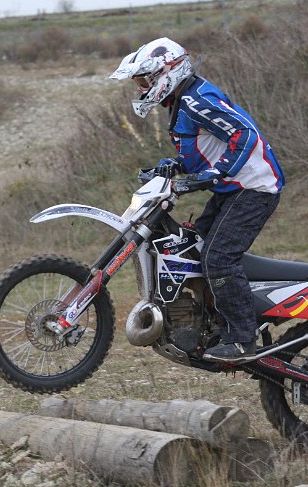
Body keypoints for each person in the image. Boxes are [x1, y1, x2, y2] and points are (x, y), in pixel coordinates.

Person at [109, 37, 284, 362]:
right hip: (232, 189)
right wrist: (175, 166)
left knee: (218, 258)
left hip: (254, 188)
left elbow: (244, 133)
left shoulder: (197, 100)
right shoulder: (182, 102)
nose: (141, 89)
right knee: (192, 251)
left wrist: (218, 172)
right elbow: (206, 148)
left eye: (144, 81)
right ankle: (212, 323)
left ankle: (242, 339)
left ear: (166, 73)